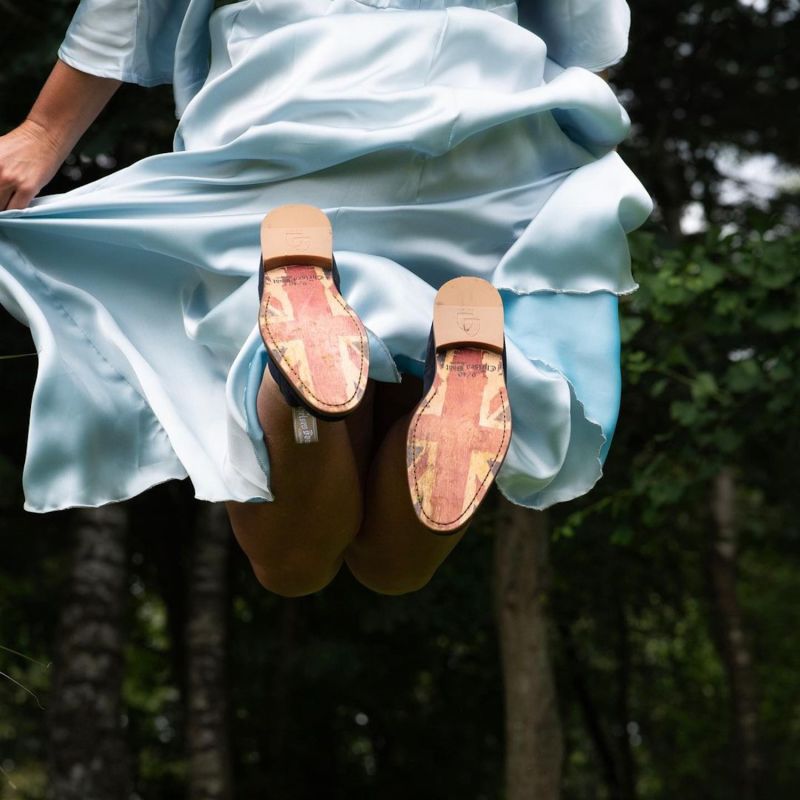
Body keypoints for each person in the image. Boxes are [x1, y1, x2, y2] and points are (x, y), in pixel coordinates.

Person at [0, 0, 652, 596]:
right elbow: (585, 29)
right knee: (394, 568)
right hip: (490, 148)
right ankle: (429, 386)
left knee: (291, 567)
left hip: (283, 115)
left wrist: (42, 130)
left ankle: (295, 389)